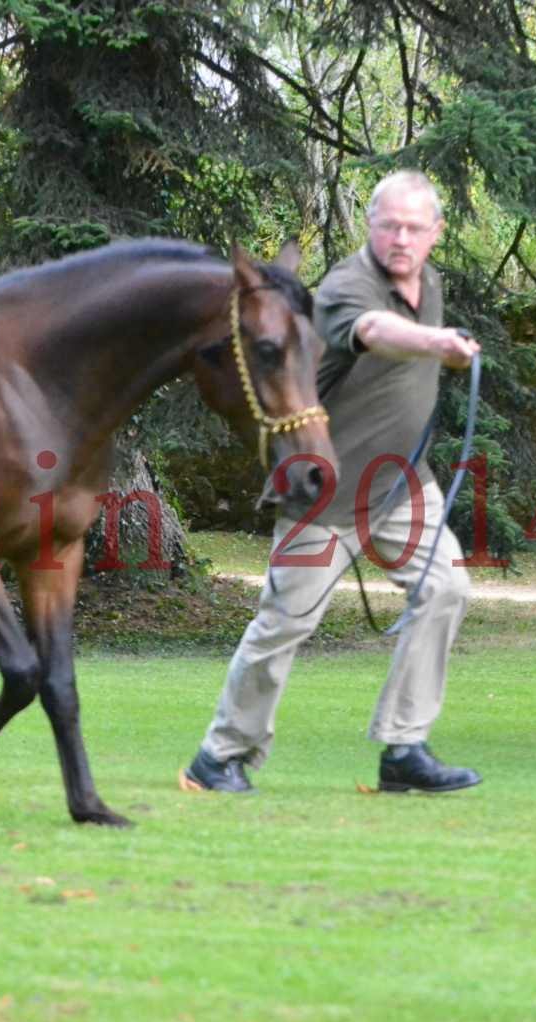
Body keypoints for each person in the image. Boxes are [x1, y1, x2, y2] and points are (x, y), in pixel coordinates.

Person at [183, 170, 483, 794]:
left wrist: (433, 337)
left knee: (447, 588)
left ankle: (403, 749)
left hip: (402, 487)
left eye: (413, 227)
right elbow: (373, 332)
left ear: (436, 233)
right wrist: (437, 342)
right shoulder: (347, 286)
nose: (400, 238)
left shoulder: (428, 282)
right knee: (284, 623)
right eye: (389, 225)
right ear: (370, 226)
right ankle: (219, 757)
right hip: (321, 497)